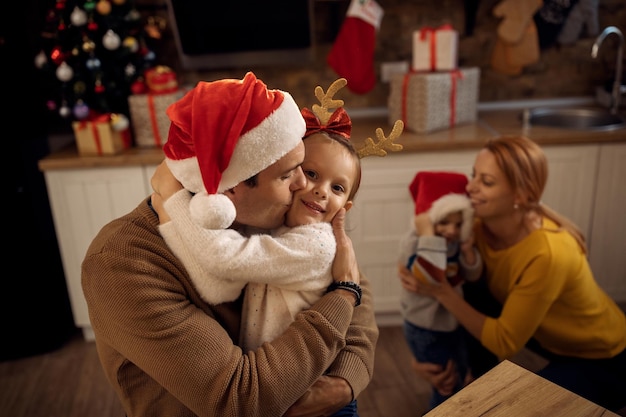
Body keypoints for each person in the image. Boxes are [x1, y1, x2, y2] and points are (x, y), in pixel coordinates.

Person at [81, 72, 379, 417]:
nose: (303, 184)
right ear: (229, 189)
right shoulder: (122, 263)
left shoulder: (268, 213)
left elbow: (352, 276)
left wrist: (346, 379)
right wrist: (343, 294)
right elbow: (241, 399)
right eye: (288, 174)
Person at [399, 135, 626, 413]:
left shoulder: (549, 253)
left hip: (602, 356)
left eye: (487, 182)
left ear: (520, 195)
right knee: (467, 283)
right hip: (543, 334)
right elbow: (414, 267)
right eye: (474, 175)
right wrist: (427, 357)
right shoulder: (477, 226)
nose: (470, 188)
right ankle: (476, 378)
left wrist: (440, 290)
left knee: (517, 410)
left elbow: (504, 342)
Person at [397, 170, 482, 410]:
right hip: (425, 326)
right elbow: (431, 277)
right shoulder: (416, 240)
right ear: (428, 218)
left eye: (458, 224)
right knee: (445, 384)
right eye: (444, 222)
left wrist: (467, 252)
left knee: (460, 370)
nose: (452, 231)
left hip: (451, 322)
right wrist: (427, 233)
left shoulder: (454, 242)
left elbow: (473, 275)